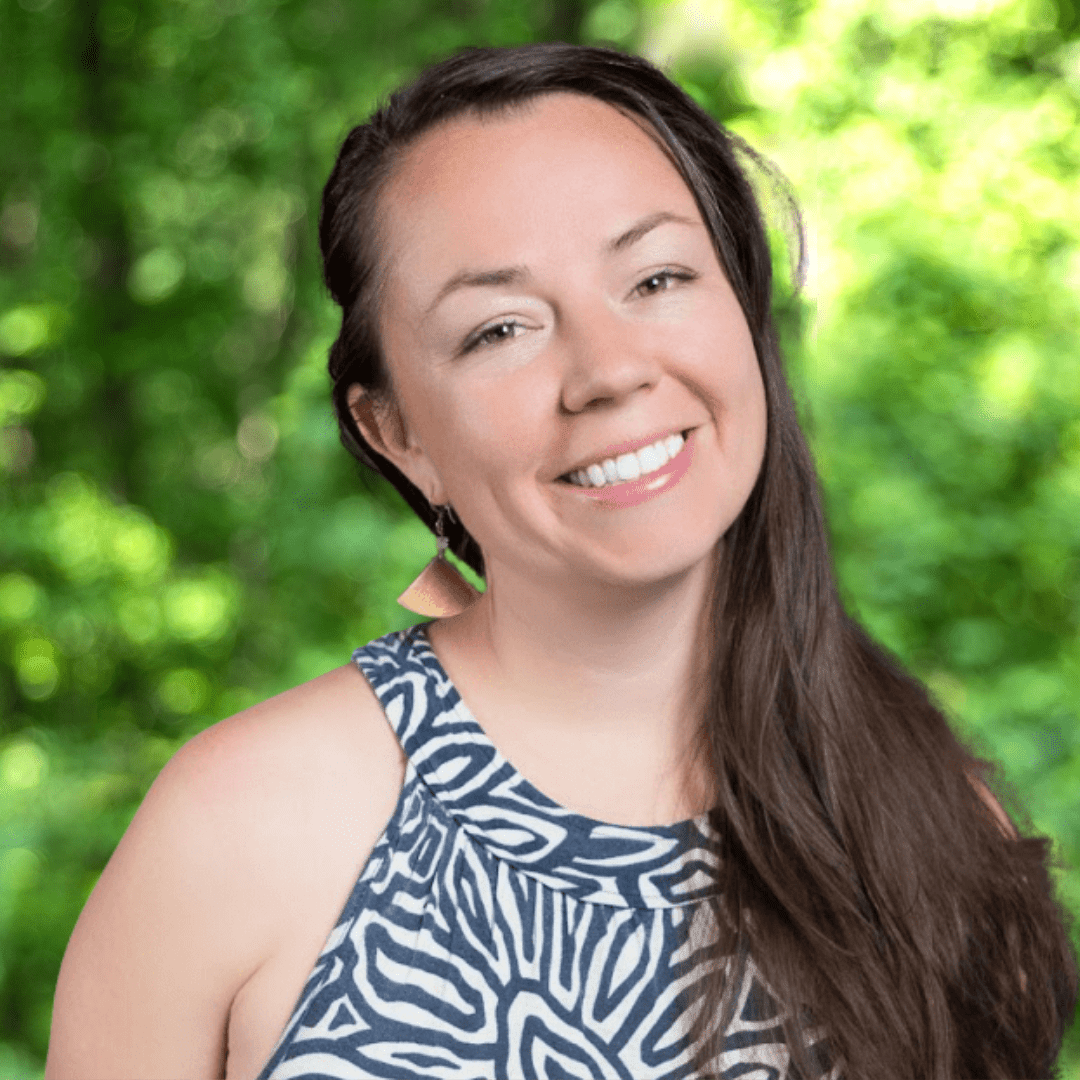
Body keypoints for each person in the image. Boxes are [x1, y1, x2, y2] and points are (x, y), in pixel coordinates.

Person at [46, 42, 1077, 1080]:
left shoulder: (935, 828)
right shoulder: (240, 827)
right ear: (396, 431)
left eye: (657, 276)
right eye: (499, 329)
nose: (608, 370)